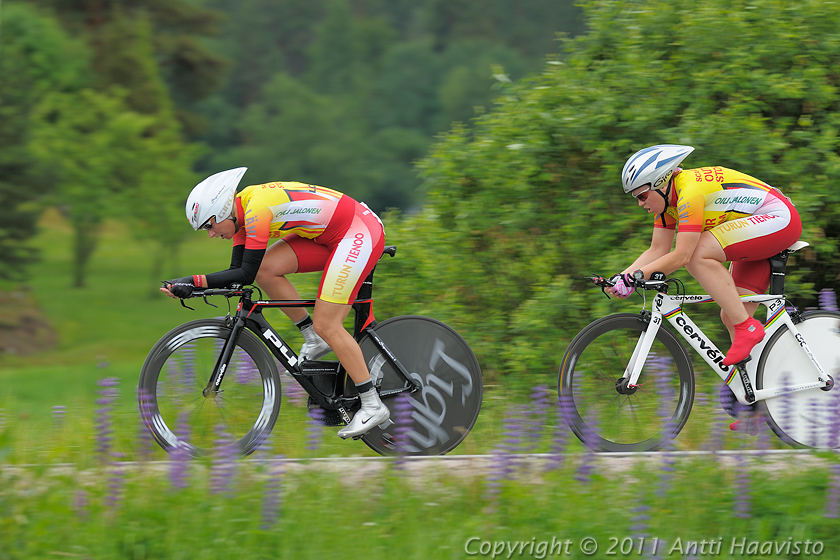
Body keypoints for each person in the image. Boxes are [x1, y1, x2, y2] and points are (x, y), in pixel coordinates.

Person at [161, 167, 389, 439]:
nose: (210, 234)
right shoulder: (240, 215)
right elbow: (241, 275)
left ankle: (373, 405)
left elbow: (241, 274)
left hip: (357, 232)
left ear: (222, 211)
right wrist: (192, 286)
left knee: (327, 323)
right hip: (329, 236)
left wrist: (194, 281)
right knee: (264, 269)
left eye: (209, 226)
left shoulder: (256, 211)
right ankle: (314, 338)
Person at [610, 144, 802, 370]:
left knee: (697, 254)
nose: (640, 203)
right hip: (759, 228)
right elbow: (657, 250)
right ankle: (758, 388)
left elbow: (683, 255)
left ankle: (747, 327)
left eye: (642, 195)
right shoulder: (668, 203)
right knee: (731, 314)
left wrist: (635, 277)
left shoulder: (689, 193)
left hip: (779, 219)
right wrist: (620, 279)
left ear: (660, 183)